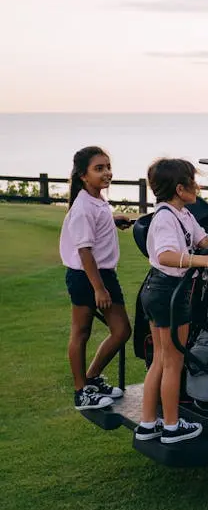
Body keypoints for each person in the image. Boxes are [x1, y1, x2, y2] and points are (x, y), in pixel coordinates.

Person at [134, 158, 208, 444]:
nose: (197, 186)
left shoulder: (182, 214)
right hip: (167, 292)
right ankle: (172, 427)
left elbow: (203, 240)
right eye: (193, 182)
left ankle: (148, 424)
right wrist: (204, 262)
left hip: (163, 291)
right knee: (172, 362)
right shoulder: (164, 218)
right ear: (179, 188)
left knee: (162, 360)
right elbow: (166, 256)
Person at [60, 146, 133, 410]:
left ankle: (91, 377)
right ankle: (82, 392)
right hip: (87, 277)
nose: (107, 173)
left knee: (122, 330)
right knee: (81, 332)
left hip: (103, 275)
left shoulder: (97, 200)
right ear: (83, 175)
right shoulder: (81, 207)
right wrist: (99, 289)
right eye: (99, 169)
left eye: (108, 167)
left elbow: (95, 224)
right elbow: (85, 252)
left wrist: (113, 220)